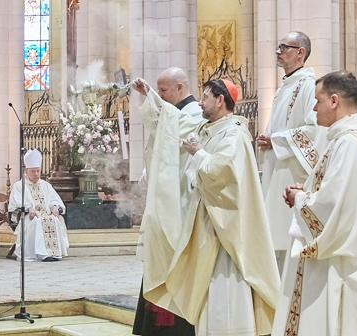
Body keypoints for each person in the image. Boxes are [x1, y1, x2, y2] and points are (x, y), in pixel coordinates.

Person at [271, 72, 357, 335]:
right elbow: (334, 192)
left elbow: (333, 206)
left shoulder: (349, 143)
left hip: (340, 264)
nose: (314, 108)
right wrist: (305, 191)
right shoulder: (345, 140)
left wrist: (300, 199)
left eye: (318, 101)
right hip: (343, 255)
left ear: (335, 101)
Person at [179, 79, 280, 335]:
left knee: (225, 282)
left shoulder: (234, 133)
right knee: (207, 283)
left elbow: (222, 172)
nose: (201, 102)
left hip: (227, 226)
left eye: (205, 97)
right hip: (209, 218)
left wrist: (198, 153)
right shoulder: (211, 128)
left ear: (220, 100)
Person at [131, 67, 205, 335]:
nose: (160, 95)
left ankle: (175, 326)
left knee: (175, 259)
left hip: (183, 200)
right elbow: (159, 126)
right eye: (159, 90)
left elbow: (169, 128)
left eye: (163, 91)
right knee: (160, 257)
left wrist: (151, 97)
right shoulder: (174, 113)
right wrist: (149, 96)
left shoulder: (194, 114)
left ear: (180, 88)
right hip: (169, 197)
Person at [256, 31, 323, 267]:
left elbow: (313, 129)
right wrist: (270, 139)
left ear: (300, 53)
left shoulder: (308, 86)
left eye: (284, 47)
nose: (278, 51)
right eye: (278, 46)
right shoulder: (285, 86)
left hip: (292, 173)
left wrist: (276, 140)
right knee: (276, 237)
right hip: (277, 168)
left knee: (287, 239)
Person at [8, 149, 69, 262]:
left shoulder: (46, 185)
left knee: (54, 219)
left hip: (46, 214)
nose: (36, 174)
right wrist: (28, 208)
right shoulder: (19, 186)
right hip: (29, 216)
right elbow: (14, 205)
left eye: (38, 171)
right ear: (26, 171)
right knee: (37, 221)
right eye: (33, 171)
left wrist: (54, 207)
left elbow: (54, 200)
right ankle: (42, 254)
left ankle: (54, 253)